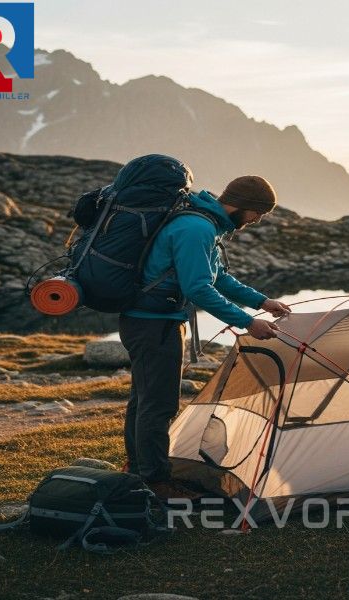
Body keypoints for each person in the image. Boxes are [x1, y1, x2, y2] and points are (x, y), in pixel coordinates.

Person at [118, 175, 291, 501]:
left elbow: (217, 277)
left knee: (144, 400)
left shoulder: (205, 225)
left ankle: (138, 470)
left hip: (152, 320)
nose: (256, 220)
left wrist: (262, 302)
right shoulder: (196, 229)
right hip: (154, 325)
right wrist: (247, 322)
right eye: (257, 213)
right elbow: (198, 288)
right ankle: (155, 482)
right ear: (242, 204)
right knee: (158, 405)